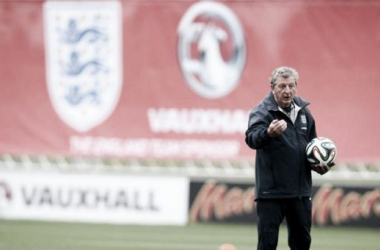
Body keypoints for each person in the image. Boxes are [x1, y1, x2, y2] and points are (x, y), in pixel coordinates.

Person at [245, 66, 332, 250]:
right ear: (272, 87)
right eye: (282, 86)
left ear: (296, 86)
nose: (287, 91)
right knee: (267, 245)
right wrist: (268, 133)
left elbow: (312, 147)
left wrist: (318, 164)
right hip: (271, 194)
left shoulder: (304, 112)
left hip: (300, 193)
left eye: (291, 86)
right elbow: (251, 138)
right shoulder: (262, 112)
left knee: (302, 244)